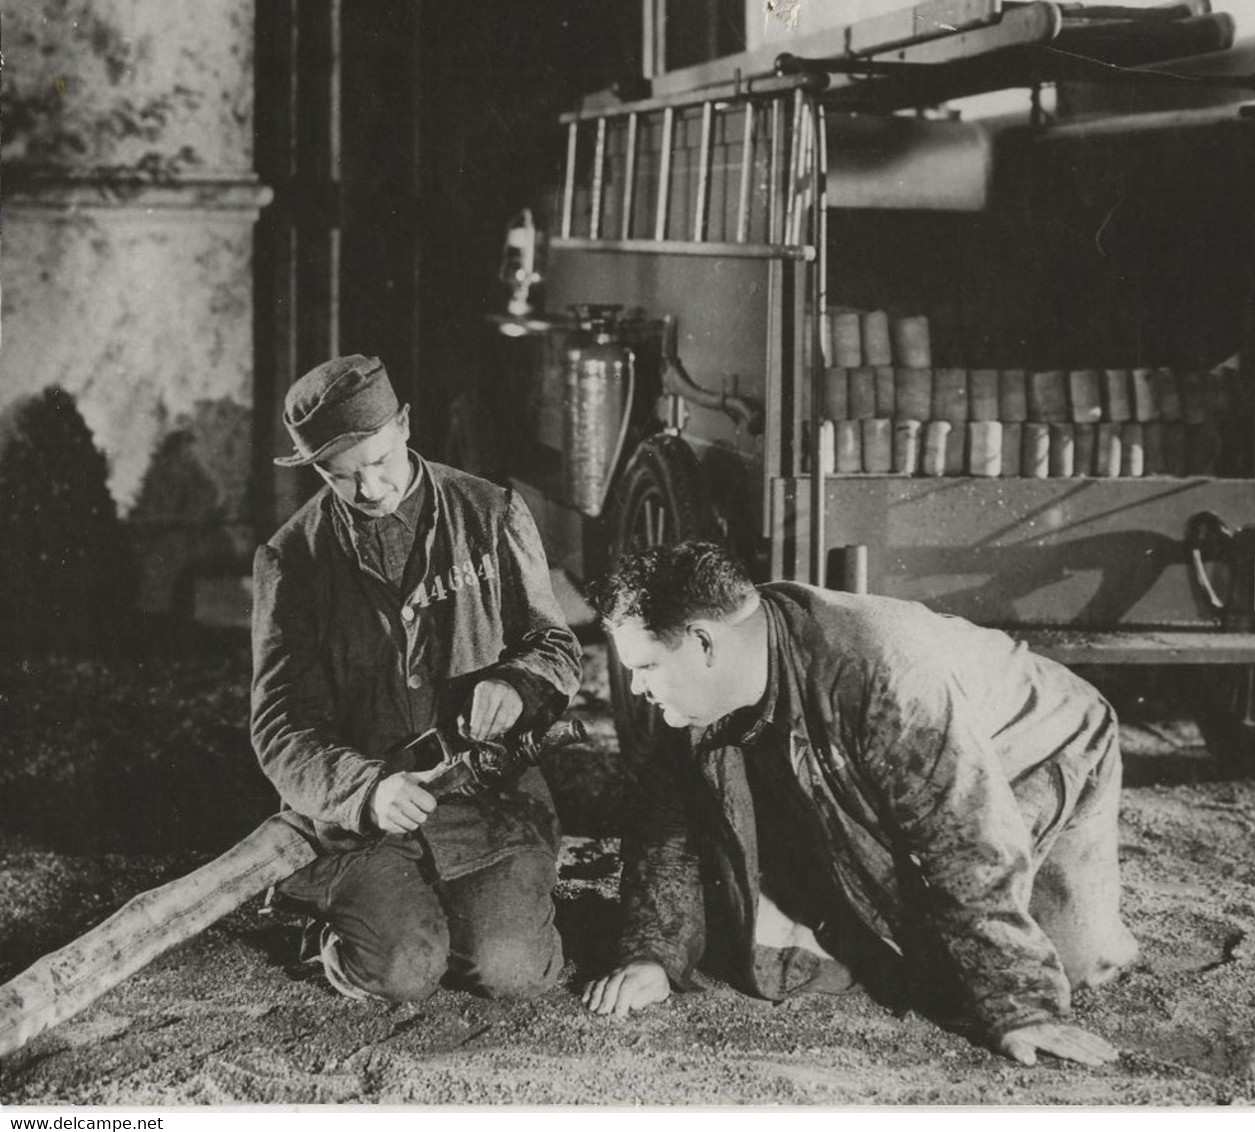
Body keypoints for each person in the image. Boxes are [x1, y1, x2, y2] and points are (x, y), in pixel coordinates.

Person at [582, 541, 1138, 1067]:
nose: (634, 688)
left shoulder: (876, 668)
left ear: (704, 643)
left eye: (647, 666)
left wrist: (1019, 1004)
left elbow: (967, 835)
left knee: (1055, 966)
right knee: (783, 937)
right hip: (882, 764)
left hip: (1038, 746)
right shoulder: (711, 684)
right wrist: (652, 953)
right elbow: (667, 824)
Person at [251, 354, 581, 1003]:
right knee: (401, 971)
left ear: (404, 425)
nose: (368, 488)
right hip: (366, 820)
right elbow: (280, 726)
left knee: (511, 969)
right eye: (340, 476)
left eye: (378, 462)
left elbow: (555, 645)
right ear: (317, 469)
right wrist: (364, 789)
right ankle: (352, 930)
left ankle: (451, 918)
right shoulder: (293, 560)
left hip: (485, 800)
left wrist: (517, 683)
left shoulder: (491, 513)